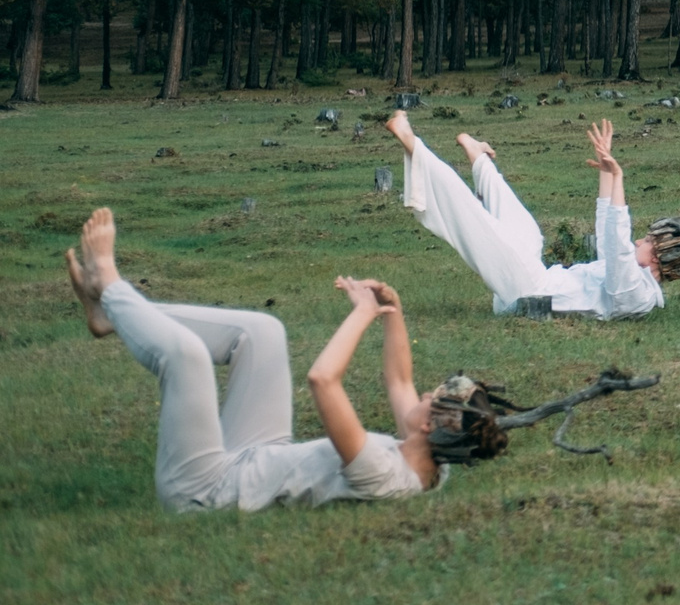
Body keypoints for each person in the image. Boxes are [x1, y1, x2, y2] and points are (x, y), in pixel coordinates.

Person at [62, 206, 507, 512]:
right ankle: (111, 313)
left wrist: (362, 313)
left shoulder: (382, 472)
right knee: (261, 333)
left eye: (432, 399)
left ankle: (112, 287)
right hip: (255, 457)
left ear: (428, 425)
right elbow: (398, 380)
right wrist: (393, 310)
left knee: (188, 356)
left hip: (203, 491)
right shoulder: (430, 462)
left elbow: (323, 380)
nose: (425, 393)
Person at [389, 111, 680, 317]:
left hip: (525, 296)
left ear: (656, 258)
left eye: (647, 240)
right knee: (526, 231)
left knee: (476, 221)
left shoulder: (638, 296)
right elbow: (610, 235)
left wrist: (619, 177)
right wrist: (606, 168)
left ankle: (411, 142)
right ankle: (479, 160)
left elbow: (619, 249)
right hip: (533, 280)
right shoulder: (632, 277)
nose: (639, 241)